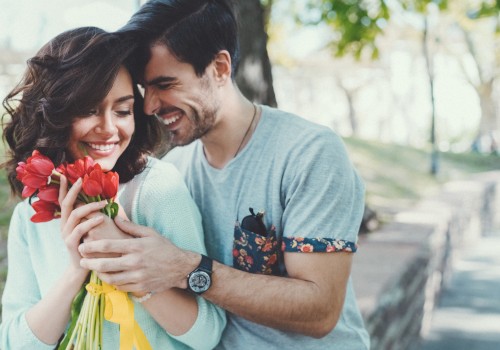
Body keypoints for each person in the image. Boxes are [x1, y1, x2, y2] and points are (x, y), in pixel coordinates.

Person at [77, 0, 370, 348]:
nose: (149, 106)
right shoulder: (173, 172)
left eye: (166, 84)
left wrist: (187, 268)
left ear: (219, 67)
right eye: (145, 88)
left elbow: (320, 311)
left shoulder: (308, 153)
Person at [0, 26, 225, 349]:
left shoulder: (157, 189)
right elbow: (12, 343)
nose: (108, 129)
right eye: (89, 109)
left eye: (122, 110)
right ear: (55, 113)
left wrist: (129, 266)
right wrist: (76, 271)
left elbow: (208, 334)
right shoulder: (32, 214)